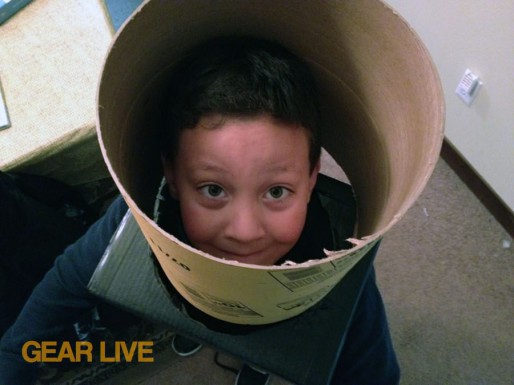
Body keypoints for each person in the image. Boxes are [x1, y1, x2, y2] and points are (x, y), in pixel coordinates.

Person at [0, 36, 400, 385]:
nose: (244, 232)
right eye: (213, 189)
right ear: (172, 178)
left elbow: (374, 375)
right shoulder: (137, 218)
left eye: (276, 191)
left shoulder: (339, 260)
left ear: (313, 178)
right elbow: (60, 291)